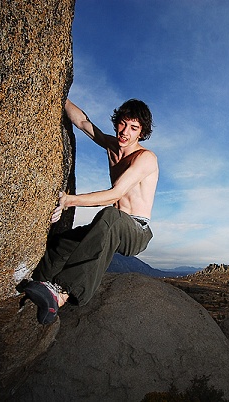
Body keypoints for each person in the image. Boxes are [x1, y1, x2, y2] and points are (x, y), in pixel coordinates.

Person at [22, 97, 158, 324]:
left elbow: (115, 194)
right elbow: (84, 122)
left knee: (110, 216)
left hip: (135, 230)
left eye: (133, 128)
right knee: (62, 244)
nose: (125, 132)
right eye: (122, 124)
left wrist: (70, 201)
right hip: (110, 227)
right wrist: (59, 95)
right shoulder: (112, 146)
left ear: (141, 133)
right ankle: (39, 286)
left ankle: (61, 294)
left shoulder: (146, 158)